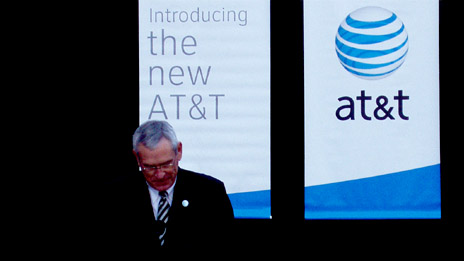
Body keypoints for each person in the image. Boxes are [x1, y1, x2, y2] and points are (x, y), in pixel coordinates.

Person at [99, 120, 234, 251]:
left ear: (179, 151)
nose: (160, 174)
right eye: (150, 167)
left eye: (166, 164)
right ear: (137, 158)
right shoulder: (114, 196)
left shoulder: (210, 193)